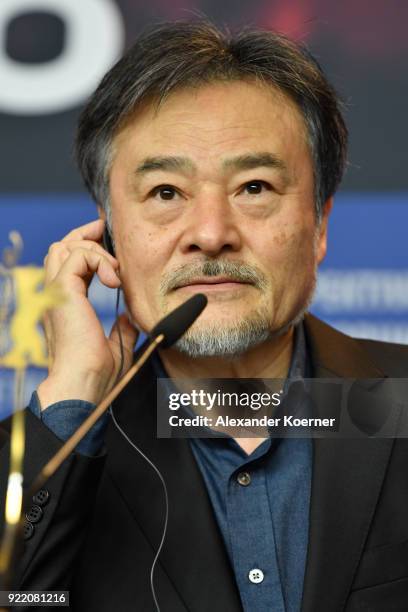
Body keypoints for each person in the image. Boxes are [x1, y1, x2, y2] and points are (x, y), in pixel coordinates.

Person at [1, 19, 408, 612]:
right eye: (166, 193)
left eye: (254, 187)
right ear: (110, 233)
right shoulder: (51, 453)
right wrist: (72, 402)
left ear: (319, 225)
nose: (211, 235)